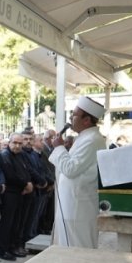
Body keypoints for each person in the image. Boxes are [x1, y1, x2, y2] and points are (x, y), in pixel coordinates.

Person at [49, 96, 107, 248]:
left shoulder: (92, 140)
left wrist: (59, 147)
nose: (70, 118)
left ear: (87, 120)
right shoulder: (84, 137)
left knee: (78, 248)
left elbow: (71, 169)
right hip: (71, 203)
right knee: (67, 246)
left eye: (73, 115)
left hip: (78, 207)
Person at [0, 133, 33, 260]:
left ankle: (12, 247)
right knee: (7, 223)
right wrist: (25, 184)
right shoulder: (4, 155)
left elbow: (27, 170)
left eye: (19, 143)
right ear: (9, 143)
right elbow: (10, 175)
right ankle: (3, 250)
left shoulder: (21, 154)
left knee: (16, 222)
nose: (17, 146)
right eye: (15, 143)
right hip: (9, 194)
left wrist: (28, 183)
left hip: (20, 193)